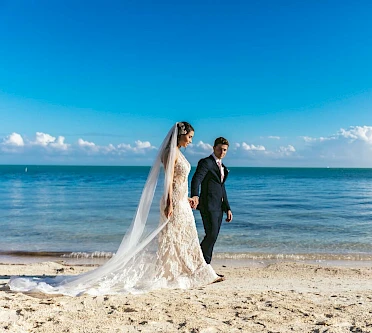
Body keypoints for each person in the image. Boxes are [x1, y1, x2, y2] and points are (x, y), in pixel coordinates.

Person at [8, 122, 221, 296]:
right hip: (173, 199)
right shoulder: (170, 153)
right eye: (190, 137)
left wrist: (188, 198)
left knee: (185, 237)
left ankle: (192, 270)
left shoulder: (179, 152)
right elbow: (167, 180)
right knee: (174, 237)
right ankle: (185, 272)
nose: (191, 141)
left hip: (182, 199)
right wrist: (169, 201)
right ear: (181, 135)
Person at [190, 137, 233, 271]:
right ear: (214, 148)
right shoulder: (206, 162)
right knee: (212, 235)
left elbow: (222, 188)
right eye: (220, 148)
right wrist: (195, 195)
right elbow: (196, 179)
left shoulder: (223, 167)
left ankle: (201, 264)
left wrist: (227, 208)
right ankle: (202, 264)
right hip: (207, 205)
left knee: (212, 236)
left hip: (219, 208)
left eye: (225, 150)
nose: (222, 151)